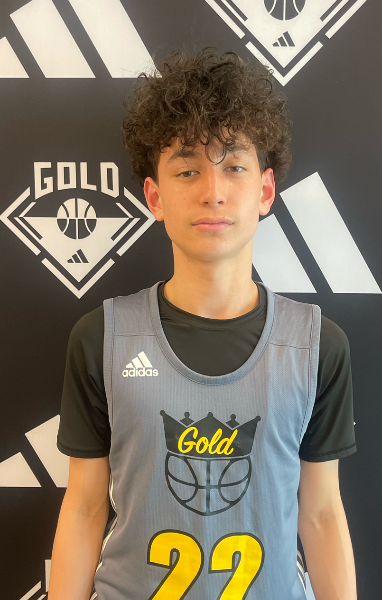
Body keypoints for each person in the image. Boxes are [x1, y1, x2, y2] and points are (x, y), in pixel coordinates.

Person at [49, 47, 357, 600]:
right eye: (188, 169)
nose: (212, 191)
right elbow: (85, 506)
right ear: (154, 196)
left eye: (233, 166)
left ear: (265, 191)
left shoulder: (316, 346)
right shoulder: (101, 339)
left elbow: (321, 514)